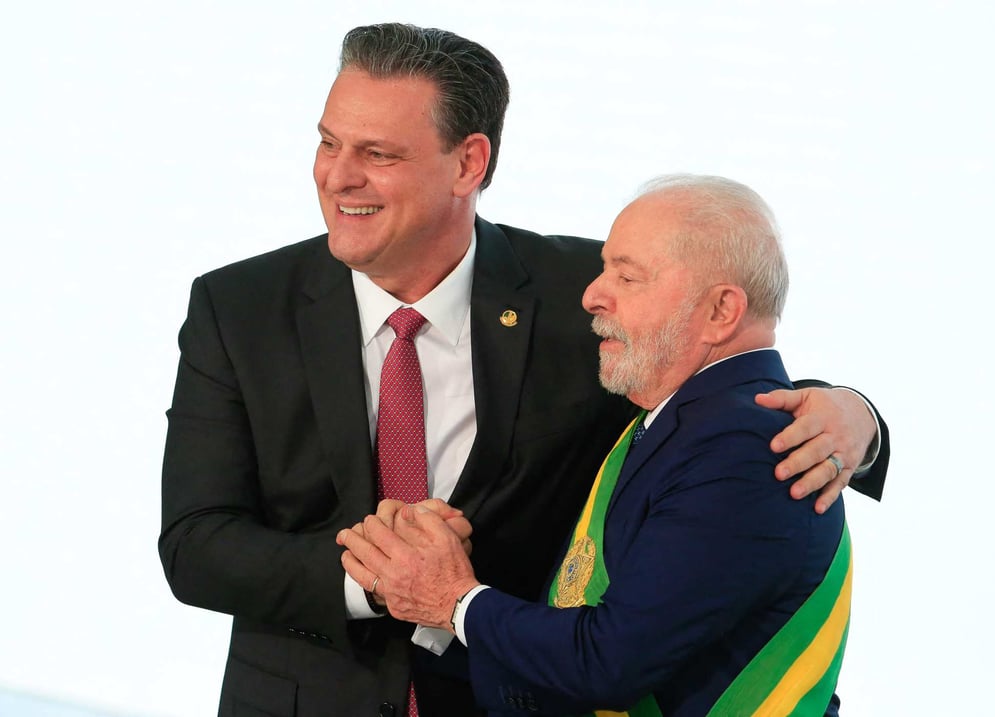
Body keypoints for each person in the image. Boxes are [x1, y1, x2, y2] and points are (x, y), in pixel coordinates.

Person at [159, 23, 888, 717]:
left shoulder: (581, 289)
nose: (337, 176)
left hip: (512, 695)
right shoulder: (237, 307)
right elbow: (195, 542)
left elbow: (713, 356)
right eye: (327, 142)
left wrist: (855, 413)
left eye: (378, 153)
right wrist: (380, 580)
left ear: (468, 163)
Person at [340, 174, 855, 716]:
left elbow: (607, 663)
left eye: (627, 277)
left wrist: (454, 600)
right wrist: (426, 580)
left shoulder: (748, 448)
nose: (591, 294)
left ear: (721, 312)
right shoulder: (674, 418)